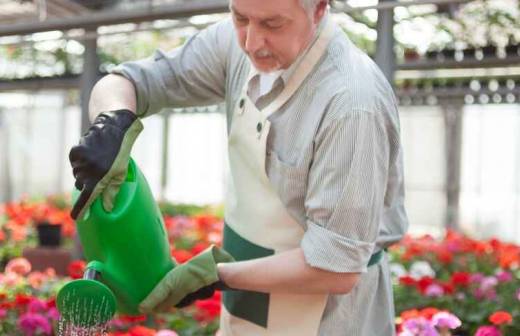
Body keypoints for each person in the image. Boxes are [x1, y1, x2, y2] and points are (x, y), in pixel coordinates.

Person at [69, 0, 409, 335]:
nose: (250, 43)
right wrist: (111, 120)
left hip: (325, 317)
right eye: (240, 17)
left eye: (273, 24)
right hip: (247, 301)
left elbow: (336, 269)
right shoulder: (234, 43)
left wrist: (216, 275)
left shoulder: (351, 103)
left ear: (319, 9)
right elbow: (131, 81)